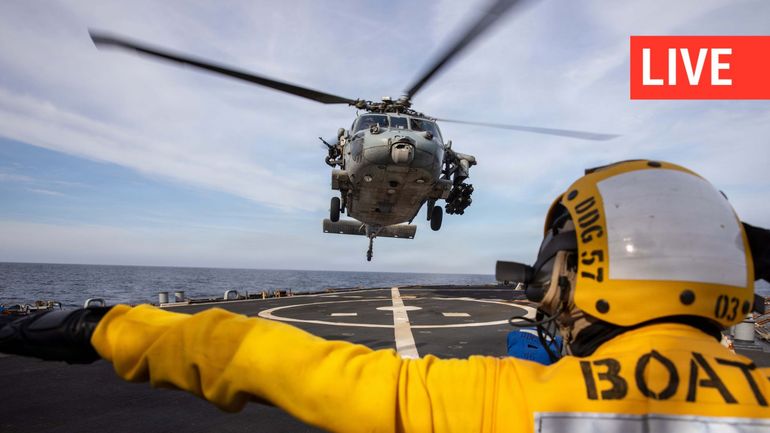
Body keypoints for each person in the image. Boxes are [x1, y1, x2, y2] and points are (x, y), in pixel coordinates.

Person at [1, 159, 769, 432]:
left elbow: (248, 350)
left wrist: (93, 324)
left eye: (549, 275)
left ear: (585, 269)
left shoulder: (498, 402)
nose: (545, 296)